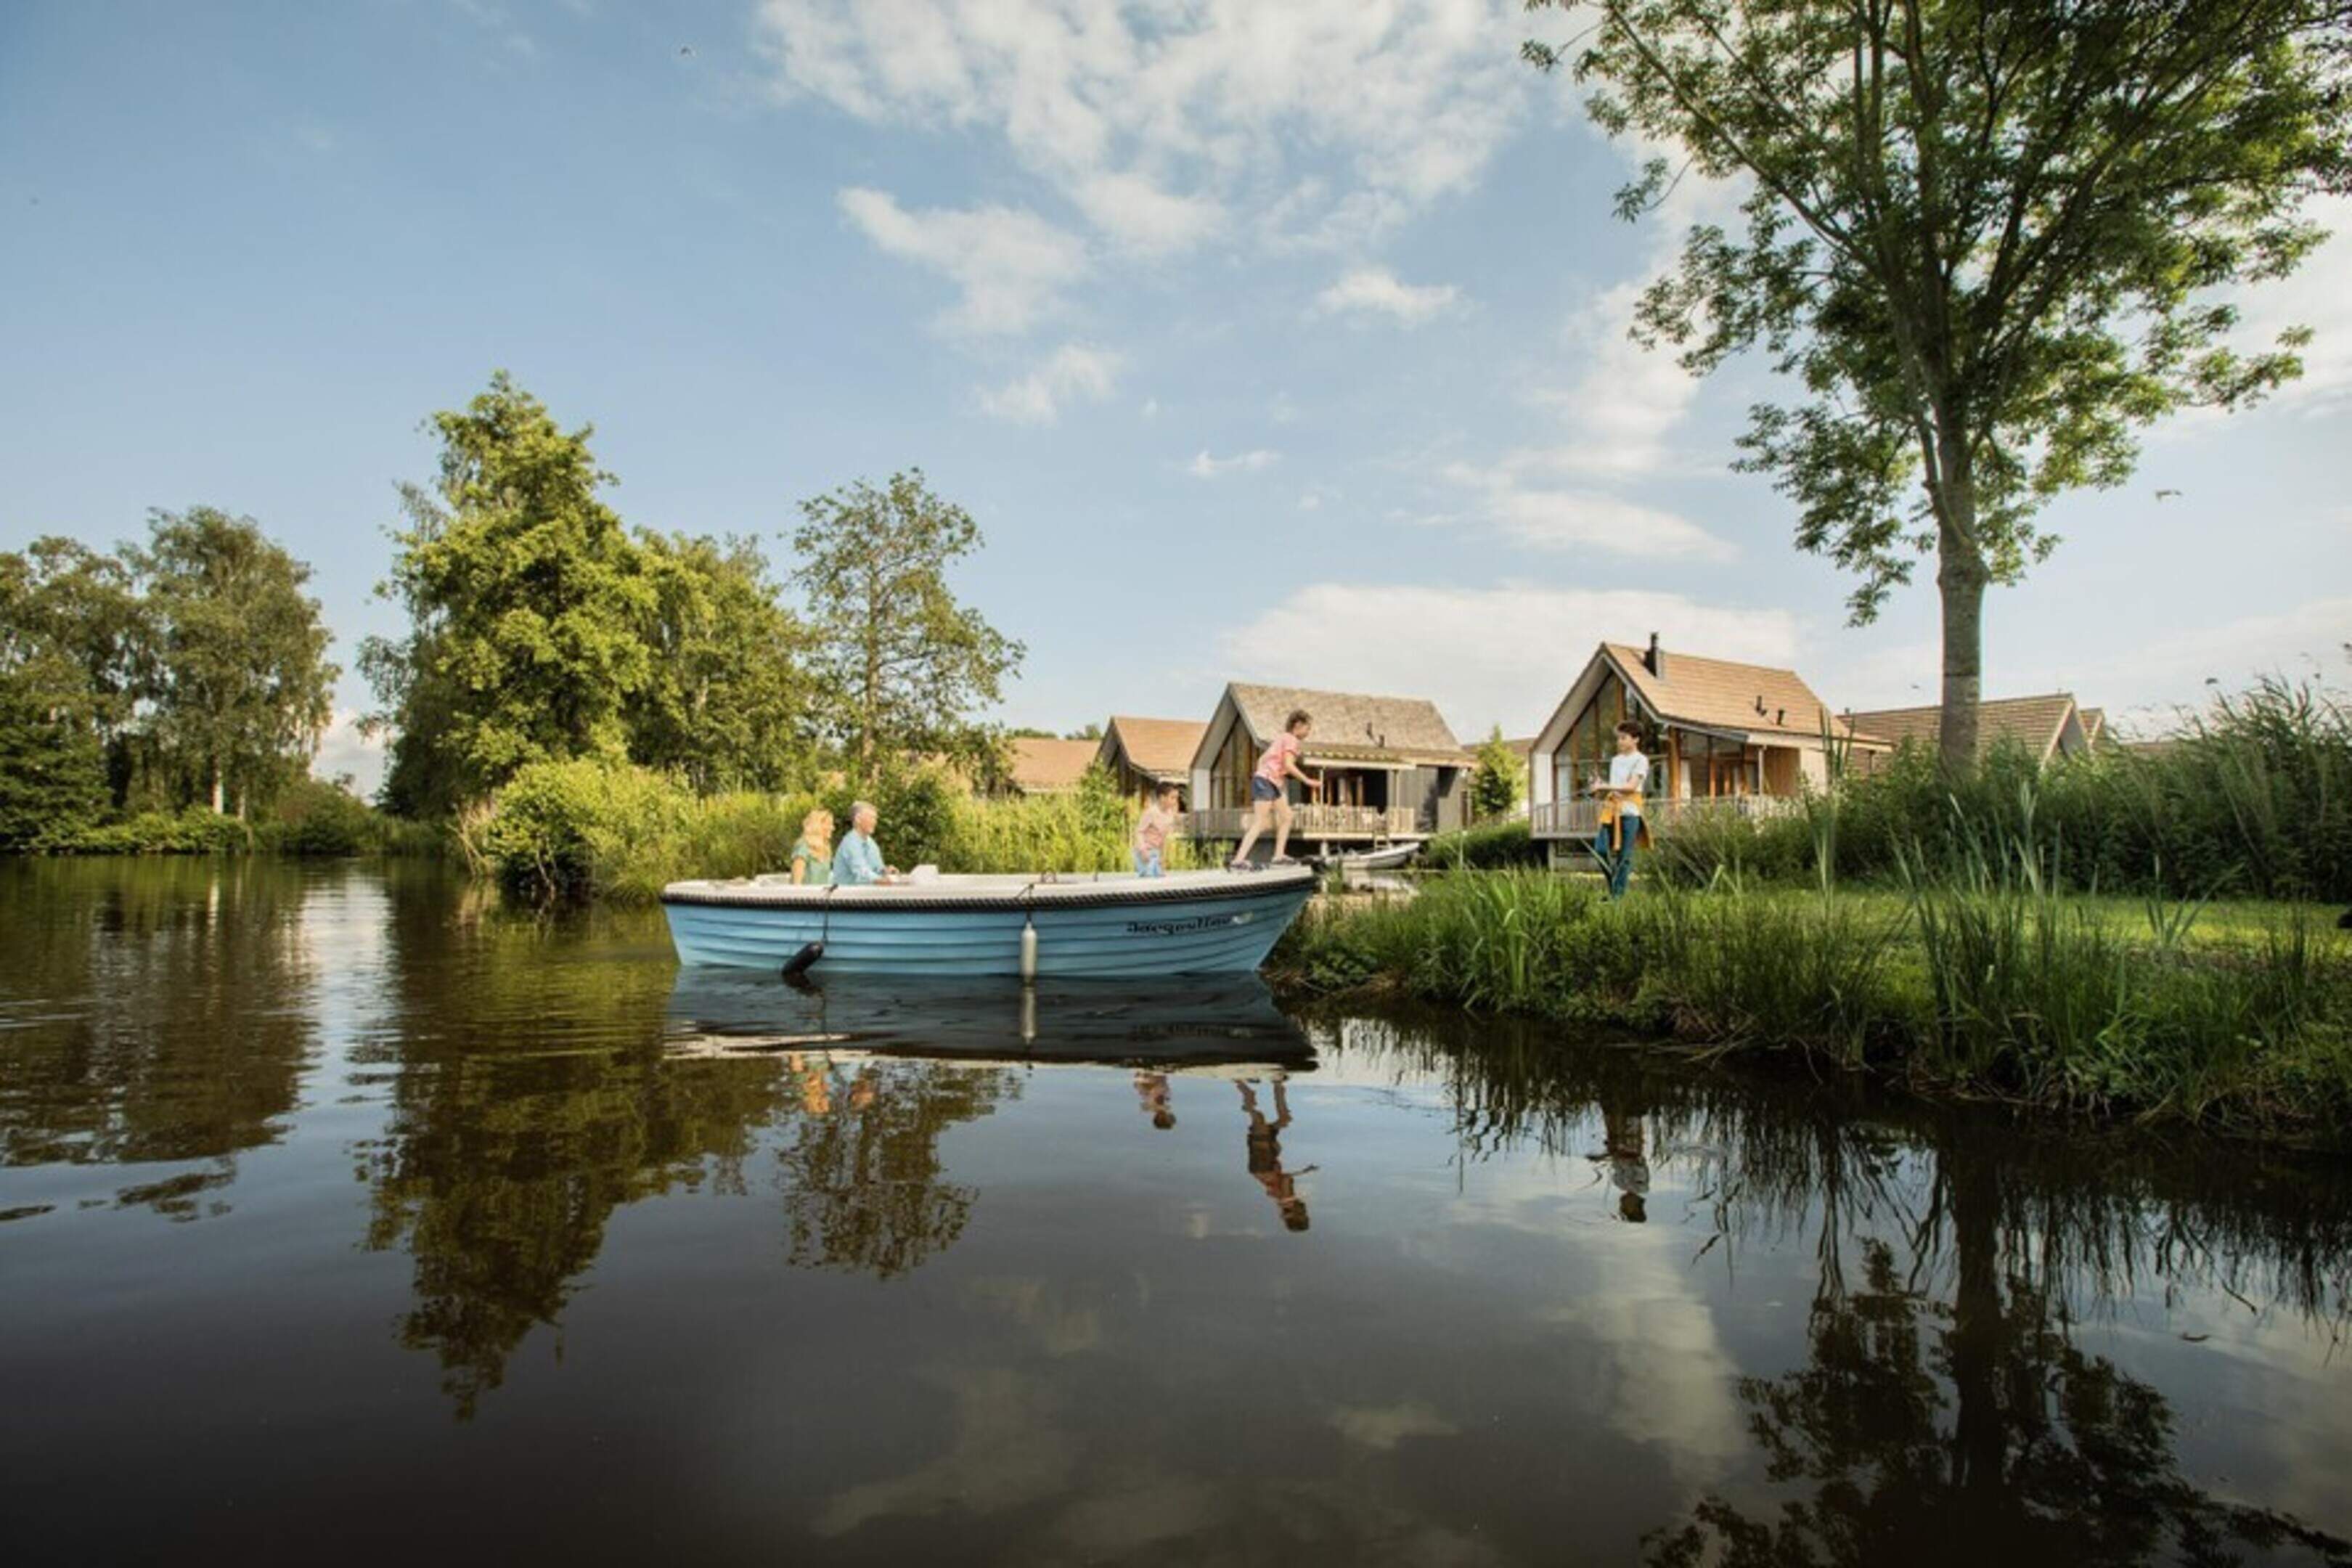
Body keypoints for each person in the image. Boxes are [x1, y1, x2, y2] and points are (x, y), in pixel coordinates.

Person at [1230, 709, 1321, 870]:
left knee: (1287, 816)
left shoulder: (1281, 739)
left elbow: (1261, 759)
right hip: (1266, 781)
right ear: (1298, 726)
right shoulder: (1292, 740)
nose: (1309, 732)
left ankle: (1278, 856)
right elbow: (1288, 765)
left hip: (1270, 781)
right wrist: (1307, 780)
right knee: (1260, 822)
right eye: (1308, 728)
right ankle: (1238, 860)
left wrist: (1267, 776)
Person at [1238, 1078, 1314, 1232]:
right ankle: (1271, 1086)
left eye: (1304, 1215)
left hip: (1263, 1163)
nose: (1306, 1212)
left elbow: (1286, 1178)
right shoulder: (1283, 1203)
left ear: (1299, 1215)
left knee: (1259, 1118)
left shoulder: (1287, 1200)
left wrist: (1305, 1172)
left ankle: (1246, 1085)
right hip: (1261, 1166)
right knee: (1280, 1120)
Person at [1587, 719, 1649, 899]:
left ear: (1636, 739)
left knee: (1624, 857)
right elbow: (1614, 788)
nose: (1619, 742)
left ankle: (1617, 897)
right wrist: (1598, 788)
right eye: (1618, 738)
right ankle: (1614, 886)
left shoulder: (1641, 760)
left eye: (1624, 738)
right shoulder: (1615, 760)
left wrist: (1604, 786)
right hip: (1611, 811)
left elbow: (1631, 787)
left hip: (1630, 813)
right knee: (1600, 850)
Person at [831, 800, 897, 886]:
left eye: (876, 818)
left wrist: (885, 871)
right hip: (847, 896)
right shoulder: (850, 843)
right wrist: (881, 880)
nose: (875, 822)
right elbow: (862, 873)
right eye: (872, 818)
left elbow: (877, 868)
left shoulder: (871, 843)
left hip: (865, 894)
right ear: (858, 819)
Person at [1134, 781, 1180, 878]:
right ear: (1162, 798)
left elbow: (1163, 837)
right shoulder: (1151, 812)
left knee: (1160, 876)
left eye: (1176, 798)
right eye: (1173, 798)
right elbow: (1139, 832)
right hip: (1144, 850)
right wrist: (1143, 851)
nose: (1175, 801)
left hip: (1155, 852)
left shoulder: (1170, 815)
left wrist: (1162, 857)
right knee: (1148, 877)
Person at [790, 808, 835, 886]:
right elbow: (796, 883)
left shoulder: (827, 848)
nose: (833, 828)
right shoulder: (802, 846)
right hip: (805, 896)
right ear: (817, 825)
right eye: (829, 824)